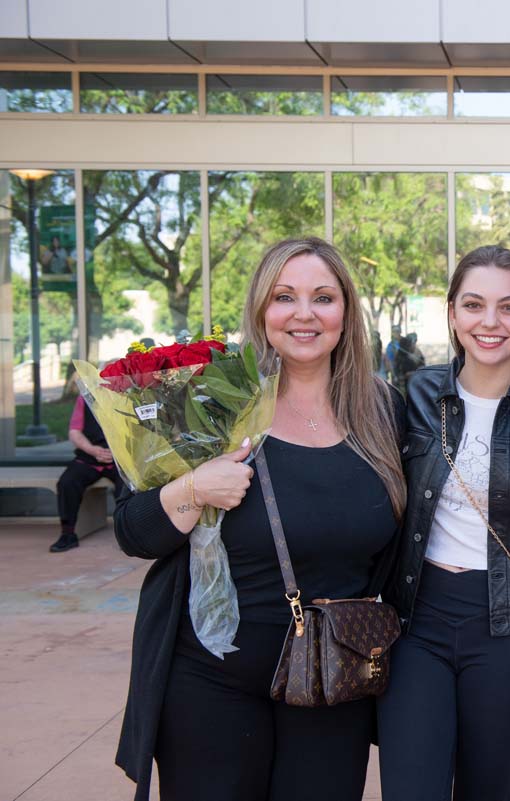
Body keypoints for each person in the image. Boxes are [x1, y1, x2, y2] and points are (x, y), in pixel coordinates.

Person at [112, 237, 407, 801]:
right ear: (260, 310)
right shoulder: (214, 402)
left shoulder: (383, 412)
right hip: (210, 685)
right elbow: (133, 531)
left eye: (323, 297)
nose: (303, 314)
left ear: (346, 312)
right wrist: (194, 486)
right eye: (284, 297)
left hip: (332, 681)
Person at [378, 245, 510, 801]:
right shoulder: (415, 396)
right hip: (417, 622)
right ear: (453, 313)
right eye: (474, 305)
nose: (490, 322)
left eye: (509, 307)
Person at [50, 393, 120, 552]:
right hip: (90, 455)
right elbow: (75, 432)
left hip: (120, 458)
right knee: (67, 483)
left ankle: (129, 534)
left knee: (129, 486)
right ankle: (67, 534)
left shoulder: (129, 396)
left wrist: (117, 453)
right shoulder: (85, 398)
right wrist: (93, 450)